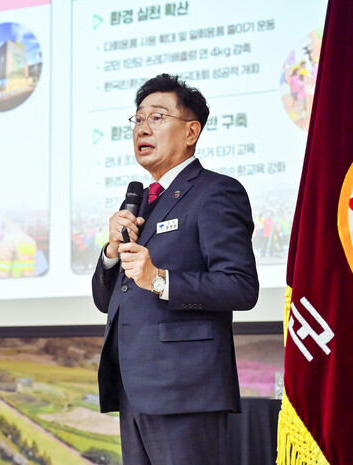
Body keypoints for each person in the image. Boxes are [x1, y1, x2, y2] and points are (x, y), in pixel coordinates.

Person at [92, 73, 259, 465]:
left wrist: (159, 280)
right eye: (138, 119)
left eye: (157, 117)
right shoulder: (141, 204)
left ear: (191, 132)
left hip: (186, 390)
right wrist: (111, 251)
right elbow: (105, 300)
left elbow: (240, 287)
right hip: (135, 390)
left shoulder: (215, 192)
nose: (142, 128)